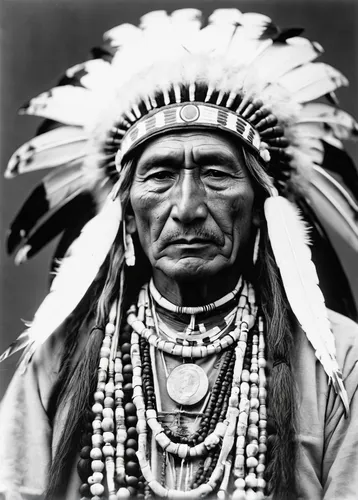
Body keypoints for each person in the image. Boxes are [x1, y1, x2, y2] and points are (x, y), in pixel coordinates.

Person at [1, 7, 358, 500]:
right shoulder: (56, 360)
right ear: (126, 214)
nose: (188, 207)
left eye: (216, 173)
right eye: (161, 176)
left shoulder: (341, 361)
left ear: (259, 207)